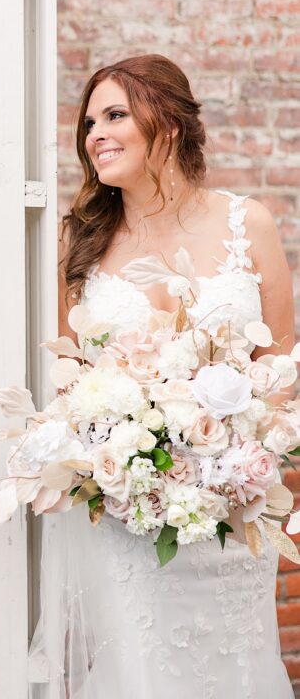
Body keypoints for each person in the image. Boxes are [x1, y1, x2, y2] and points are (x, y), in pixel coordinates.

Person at [31, 54, 294, 698]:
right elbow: (71, 375)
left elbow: (282, 358)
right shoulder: (81, 242)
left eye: (115, 114)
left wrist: (244, 455)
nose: (95, 133)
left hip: (231, 509)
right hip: (128, 513)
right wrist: (123, 463)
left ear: (169, 123)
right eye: (90, 121)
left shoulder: (246, 223)